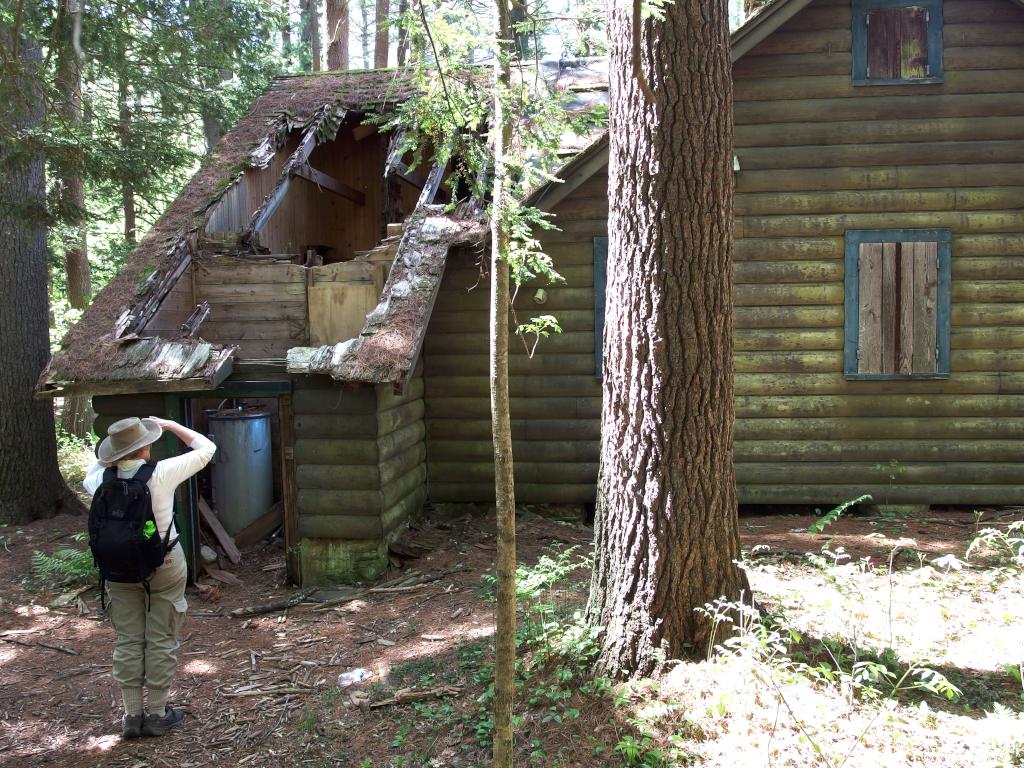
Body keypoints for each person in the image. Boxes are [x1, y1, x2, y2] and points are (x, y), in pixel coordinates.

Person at [83, 416, 216, 738]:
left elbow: (95, 466)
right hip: (165, 562)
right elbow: (207, 447)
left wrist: (111, 455)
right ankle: (157, 713)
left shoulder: (99, 478)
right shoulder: (161, 473)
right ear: (145, 446)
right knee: (160, 637)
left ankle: (131, 715)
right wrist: (171, 426)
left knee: (128, 638)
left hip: (118, 569)